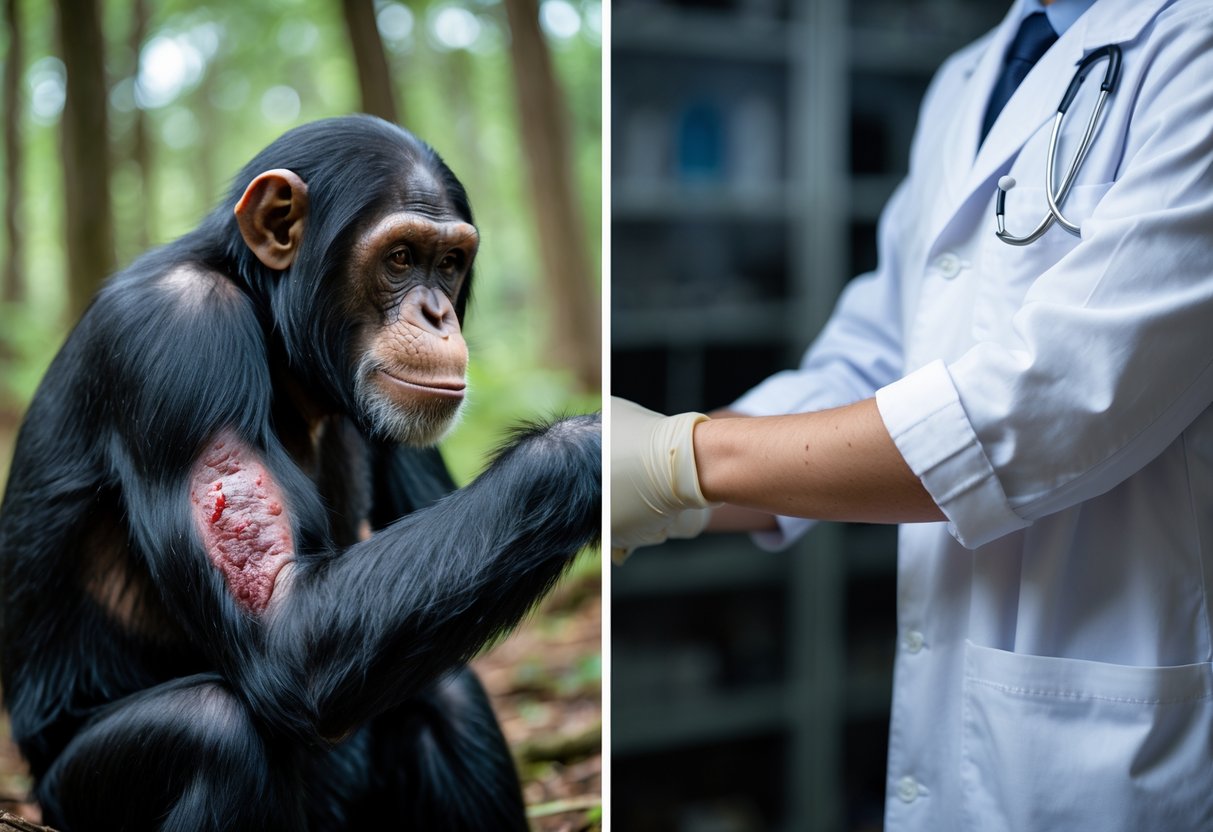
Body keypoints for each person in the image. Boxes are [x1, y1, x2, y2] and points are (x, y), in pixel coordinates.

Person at [610, 0, 1213, 828]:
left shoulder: (1192, 48)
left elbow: (1049, 403)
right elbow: (867, 360)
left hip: (1115, 727)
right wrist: (642, 476)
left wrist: (680, 461)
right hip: (956, 721)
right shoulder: (965, 79)